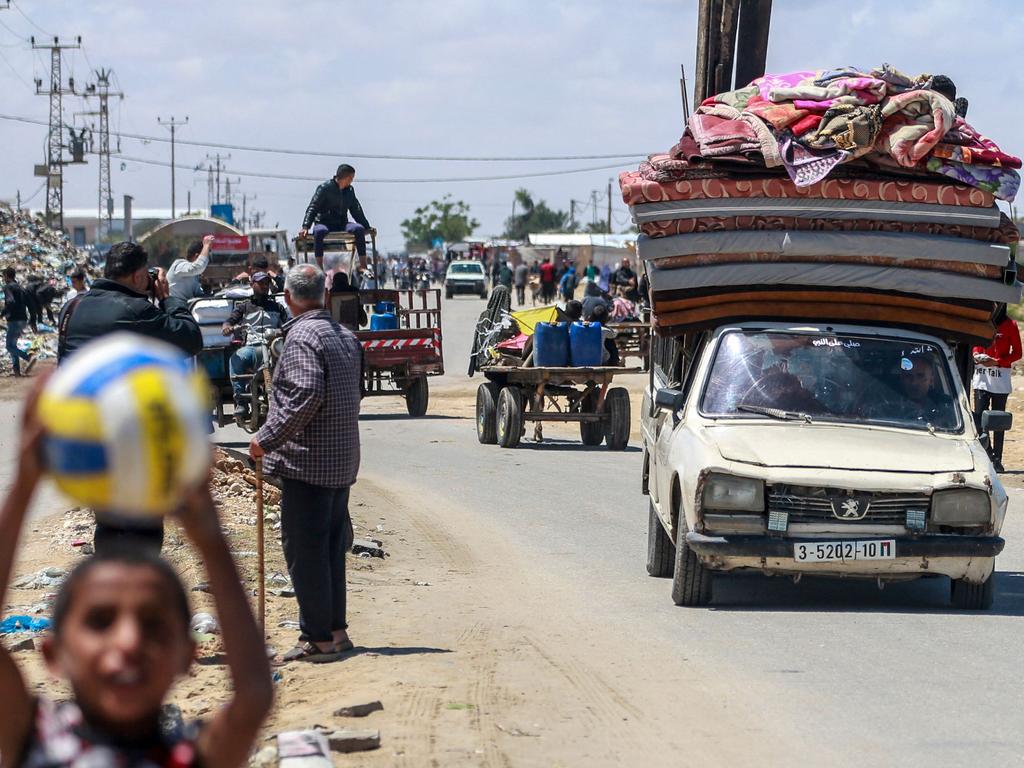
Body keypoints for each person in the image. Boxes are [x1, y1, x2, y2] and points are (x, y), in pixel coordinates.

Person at [0, 382, 273, 767]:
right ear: (54, 652)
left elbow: (254, 697)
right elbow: (256, 694)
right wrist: (25, 482)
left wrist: (211, 539)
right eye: (100, 621)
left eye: (153, 624)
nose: (129, 641)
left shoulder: (189, 755)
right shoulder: (36, 739)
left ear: (187, 655)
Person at [250, 264, 362, 664]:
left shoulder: (300, 338)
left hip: (309, 464)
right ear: (325, 296)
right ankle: (336, 630)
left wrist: (265, 439)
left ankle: (316, 638)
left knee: (305, 550)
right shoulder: (344, 336)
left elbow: (306, 395)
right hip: (340, 460)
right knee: (330, 549)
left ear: (287, 297)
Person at [60, 241, 203, 362]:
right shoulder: (137, 310)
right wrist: (166, 298)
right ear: (137, 277)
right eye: (147, 274)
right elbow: (191, 340)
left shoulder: (70, 307)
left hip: (71, 393)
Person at [222, 272, 289, 422]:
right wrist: (227, 327)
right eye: (261, 283)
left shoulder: (277, 307)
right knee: (235, 360)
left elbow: (287, 324)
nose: (265, 286)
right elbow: (229, 321)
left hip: (273, 349)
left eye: (267, 283)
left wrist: (284, 330)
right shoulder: (244, 307)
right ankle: (241, 402)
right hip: (252, 348)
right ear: (252, 285)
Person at [972, 306, 1022, 471]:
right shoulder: (983, 321)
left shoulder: (1011, 325)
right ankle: (989, 456)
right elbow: (975, 344)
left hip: (1000, 382)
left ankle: (998, 461)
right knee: (979, 421)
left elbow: (1017, 353)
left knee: (998, 423)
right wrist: (978, 355)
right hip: (981, 380)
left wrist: (998, 361)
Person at [298, 164, 371, 270]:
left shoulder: (349, 191)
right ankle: (320, 268)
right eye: (351, 178)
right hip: (324, 222)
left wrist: (366, 226)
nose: (352, 181)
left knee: (359, 229)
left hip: (341, 223)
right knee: (319, 232)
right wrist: (305, 226)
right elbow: (313, 207)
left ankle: (363, 266)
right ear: (346, 177)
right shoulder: (325, 188)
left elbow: (356, 210)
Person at [2, 268, 36, 376]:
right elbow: (30, 305)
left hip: (14, 320)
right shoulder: (21, 288)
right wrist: (33, 320)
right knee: (13, 345)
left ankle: (28, 357)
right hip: (23, 320)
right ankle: (16, 371)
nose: (3, 278)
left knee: (9, 346)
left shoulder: (8, 287)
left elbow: (10, 301)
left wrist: (2, 314)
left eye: (4, 276)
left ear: (7, 276)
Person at [166, 234, 214, 301]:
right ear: (197, 256)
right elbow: (197, 267)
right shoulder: (179, 265)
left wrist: (206, 286)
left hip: (187, 307)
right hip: (176, 307)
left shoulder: (194, 274)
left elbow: (197, 296)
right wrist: (206, 245)